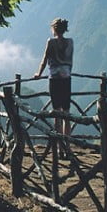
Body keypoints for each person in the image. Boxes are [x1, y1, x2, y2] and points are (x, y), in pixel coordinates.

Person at [34, 18, 74, 157]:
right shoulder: (70, 42)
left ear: (54, 29)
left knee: (57, 114)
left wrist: (38, 74)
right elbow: (71, 62)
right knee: (66, 114)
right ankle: (67, 146)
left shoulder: (50, 42)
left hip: (55, 79)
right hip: (67, 78)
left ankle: (59, 148)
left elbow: (45, 60)